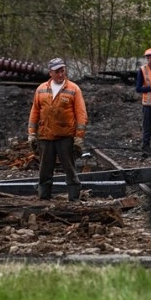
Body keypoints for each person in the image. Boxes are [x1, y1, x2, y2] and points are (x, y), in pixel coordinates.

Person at [27, 58, 88, 201]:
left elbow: (81, 114)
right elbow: (34, 112)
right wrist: (31, 134)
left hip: (65, 137)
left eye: (62, 71)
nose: (61, 74)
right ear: (50, 73)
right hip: (45, 136)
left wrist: (79, 137)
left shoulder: (73, 89)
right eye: (57, 72)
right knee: (44, 170)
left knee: (70, 169)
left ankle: (74, 198)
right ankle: (44, 198)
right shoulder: (41, 89)